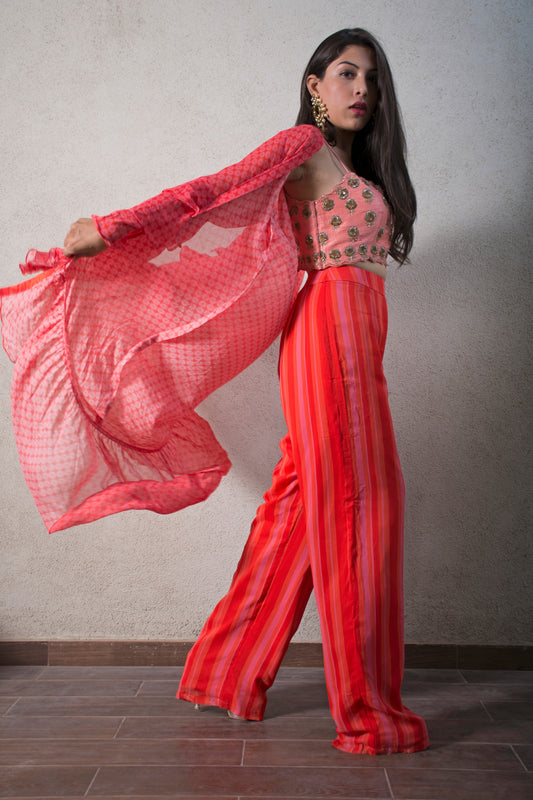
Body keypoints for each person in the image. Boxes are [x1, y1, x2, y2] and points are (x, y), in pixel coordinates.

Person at [3, 28, 429, 754]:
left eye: (373, 79)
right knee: (362, 505)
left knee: (304, 503)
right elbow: (212, 191)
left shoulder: (360, 167)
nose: (363, 89)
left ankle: (224, 672)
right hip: (330, 329)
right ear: (314, 86)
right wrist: (112, 228)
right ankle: (369, 717)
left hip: (351, 333)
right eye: (346, 74)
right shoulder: (303, 149)